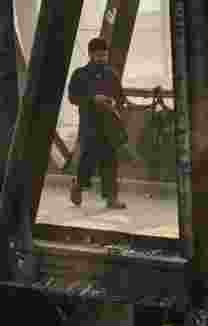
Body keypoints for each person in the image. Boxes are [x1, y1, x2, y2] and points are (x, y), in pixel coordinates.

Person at [68, 37, 127, 210]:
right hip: (90, 124)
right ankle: (78, 185)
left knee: (110, 160)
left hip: (108, 125)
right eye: (99, 55)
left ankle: (111, 198)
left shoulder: (112, 74)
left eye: (104, 55)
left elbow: (120, 97)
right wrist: (93, 99)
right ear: (91, 54)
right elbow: (72, 97)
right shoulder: (80, 74)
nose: (102, 58)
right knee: (88, 159)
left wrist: (115, 103)